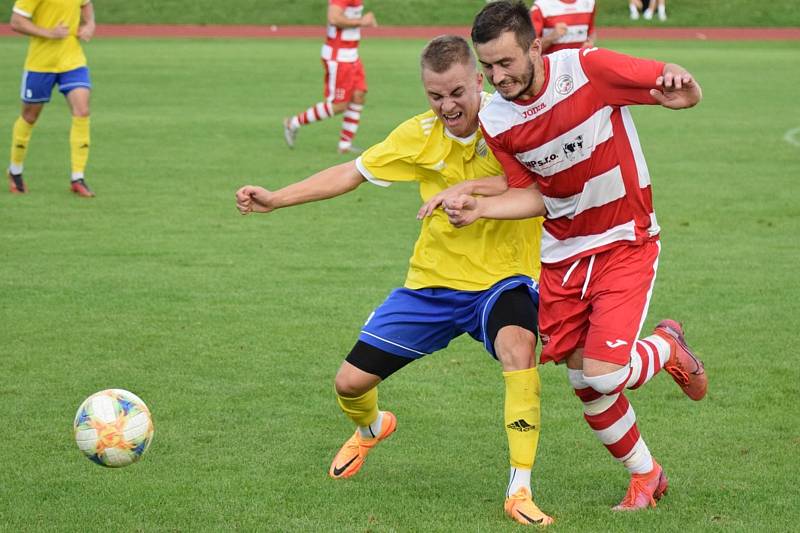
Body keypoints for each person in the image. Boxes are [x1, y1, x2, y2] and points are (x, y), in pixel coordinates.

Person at [239, 35, 555, 526]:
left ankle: (519, 488)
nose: (448, 106)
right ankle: (371, 429)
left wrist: (466, 187)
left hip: (504, 280)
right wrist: (276, 198)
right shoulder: (418, 135)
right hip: (431, 285)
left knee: (519, 348)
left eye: (456, 92)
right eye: (435, 96)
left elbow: (535, 184)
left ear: (478, 80)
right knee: (348, 383)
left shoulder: (511, 122)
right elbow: (352, 172)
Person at [459, 1, 707, 511]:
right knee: (583, 381)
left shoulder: (587, 69)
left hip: (624, 238)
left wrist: (684, 87)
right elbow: (535, 196)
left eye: (506, 63)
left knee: (604, 373)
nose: (497, 76)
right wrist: (481, 208)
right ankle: (646, 476)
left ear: (536, 46)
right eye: (488, 66)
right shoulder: (497, 119)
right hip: (564, 255)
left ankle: (666, 344)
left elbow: (673, 88)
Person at [7, 0, 96, 197]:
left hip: (73, 62)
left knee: (82, 110)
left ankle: (78, 177)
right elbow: (16, 21)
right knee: (29, 117)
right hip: (40, 64)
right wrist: (49, 33)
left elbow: (86, 3)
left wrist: (89, 24)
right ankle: (15, 171)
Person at [282, 0, 378, 154]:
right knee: (339, 104)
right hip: (338, 57)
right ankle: (292, 123)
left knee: (359, 95)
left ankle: (345, 145)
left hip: (351, 54)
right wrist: (362, 21)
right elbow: (334, 18)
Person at [529, 0, 596, 53]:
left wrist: (590, 42)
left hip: (579, 65)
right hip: (552, 67)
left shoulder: (589, 3)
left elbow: (591, 31)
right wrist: (551, 37)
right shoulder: (541, 6)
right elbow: (530, 47)